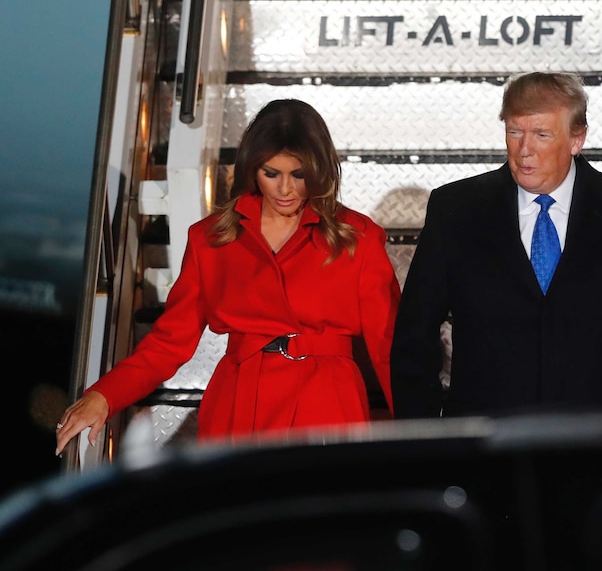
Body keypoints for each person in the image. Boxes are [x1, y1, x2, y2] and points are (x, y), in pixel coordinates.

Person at [56, 99, 401, 455]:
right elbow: (168, 343)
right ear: (252, 169)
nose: (285, 189)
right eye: (272, 173)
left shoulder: (357, 236)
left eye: (298, 174)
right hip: (238, 405)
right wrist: (104, 395)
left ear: (320, 170)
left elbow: (390, 346)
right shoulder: (210, 238)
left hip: (328, 405)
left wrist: (424, 433)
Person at [390, 71, 602, 419]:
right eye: (515, 132)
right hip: (487, 452)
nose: (525, 150)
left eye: (541, 134)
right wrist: (427, 444)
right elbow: (413, 339)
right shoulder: (456, 210)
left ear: (577, 138)